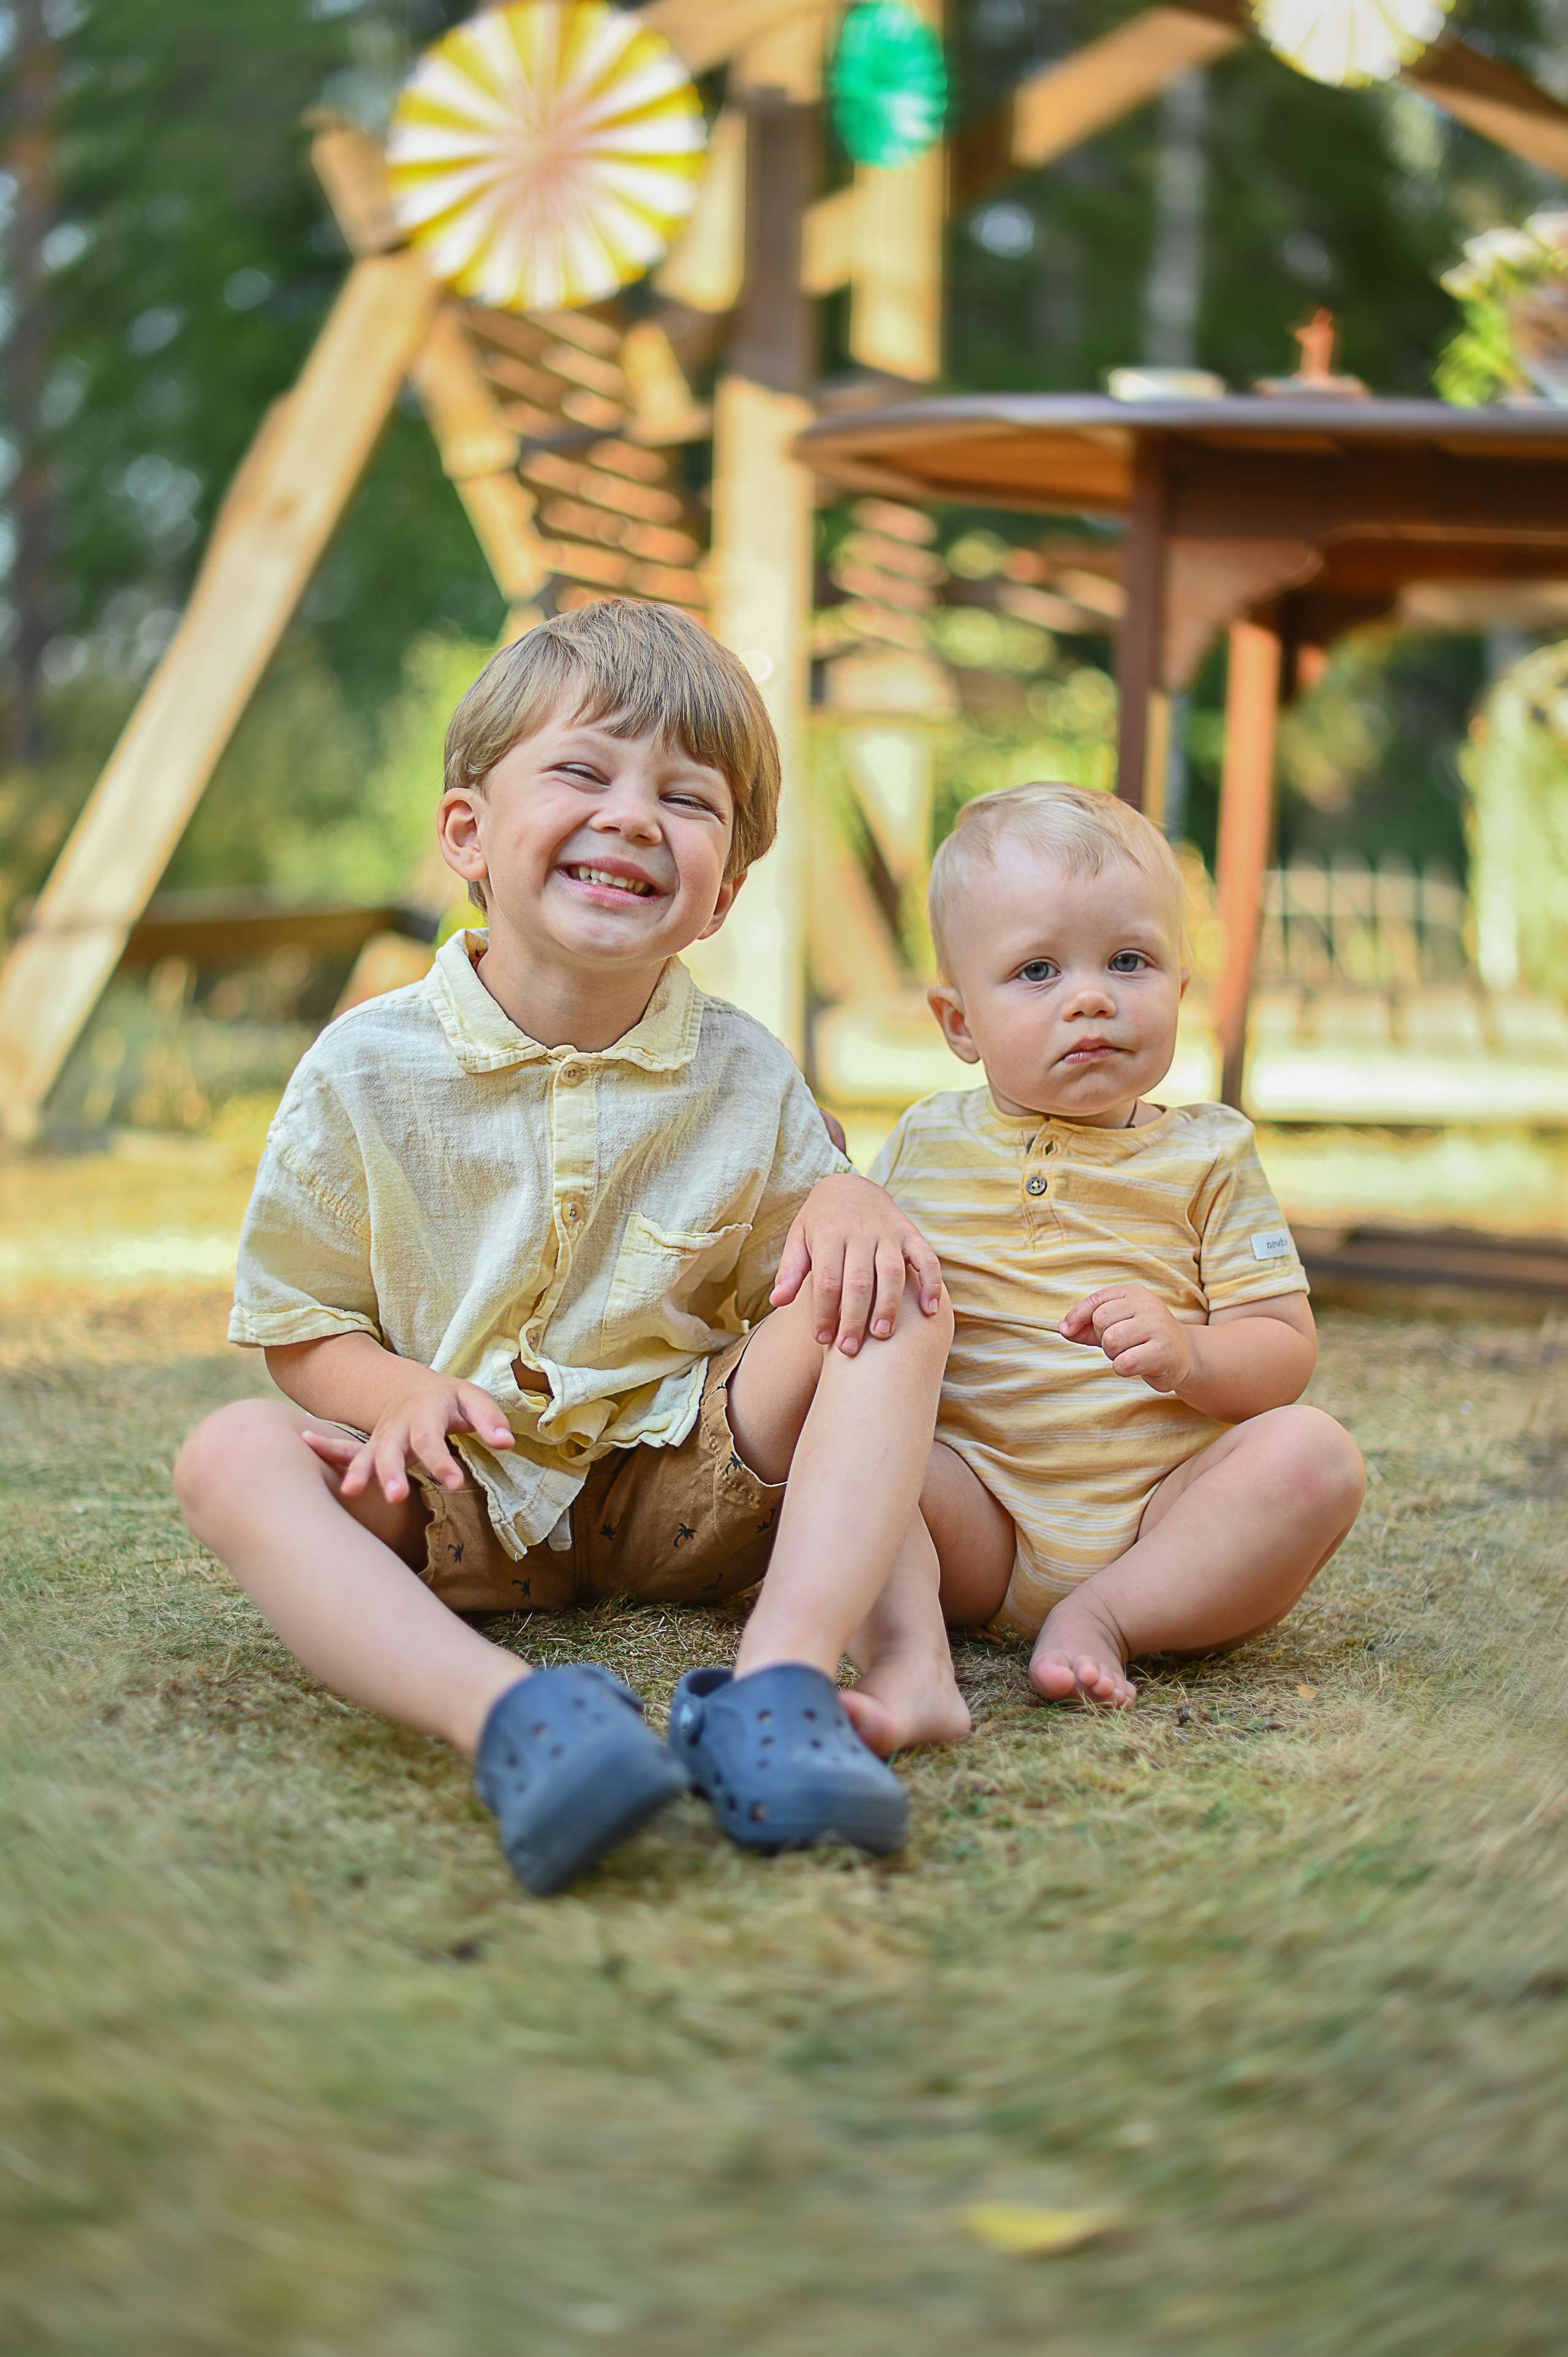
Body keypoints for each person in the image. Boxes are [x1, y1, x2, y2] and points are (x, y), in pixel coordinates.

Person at [175, 601, 968, 1899]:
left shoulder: (745, 1075)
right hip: (455, 1488)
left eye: (687, 797)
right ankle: (515, 1720)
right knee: (226, 1454)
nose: (634, 815)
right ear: (467, 832)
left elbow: (808, 1285)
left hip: (686, 1484)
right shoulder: (363, 1068)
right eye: (582, 771)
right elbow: (298, 1321)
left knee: (893, 1292)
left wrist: (850, 1201)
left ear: (723, 890)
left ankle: (775, 1684)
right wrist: (398, 1395)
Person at [870, 781, 1365, 1707]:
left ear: (1179, 988)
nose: (1091, 999)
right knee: (844, 1431)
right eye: (1038, 973)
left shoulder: (1209, 1153)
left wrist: (1192, 1353)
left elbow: (1285, 1350)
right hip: (977, 1514)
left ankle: (1108, 1616)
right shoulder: (921, 1143)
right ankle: (905, 1644)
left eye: (1128, 961)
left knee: (1315, 1457)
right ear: (959, 1022)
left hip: (1163, 1521)